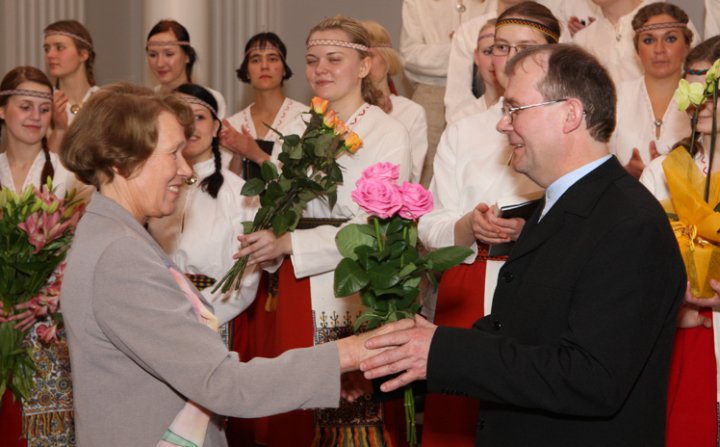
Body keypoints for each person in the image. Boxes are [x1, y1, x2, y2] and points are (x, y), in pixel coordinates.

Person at [363, 44, 686, 446]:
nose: (503, 125)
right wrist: (397, 359)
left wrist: (443, 351)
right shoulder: (558, 205)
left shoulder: (630, 224)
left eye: (514, 109)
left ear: (570, 114)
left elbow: (592, 377)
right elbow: (519, 334)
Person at [57, 83, 409, 446]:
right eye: (173, 153)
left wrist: (333, 369)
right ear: (122, 161)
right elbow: (224, 384)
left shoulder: (112, 232)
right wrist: (351, 352)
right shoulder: (120, 255)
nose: (185, 169)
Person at [234, 15, 412, 447]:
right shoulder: (297, 127)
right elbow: (278, 202)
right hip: (293, 283)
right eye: (313, 60)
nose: (321, 69)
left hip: (352, 285)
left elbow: (374, 227)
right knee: (295, 410)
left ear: (364, 66)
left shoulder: (387, 131)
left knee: (351, 419)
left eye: (334, 59)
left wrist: (289, 242)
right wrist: (267, 242)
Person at [417, 3, 555, 445]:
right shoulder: (463, 131)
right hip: (469, 282)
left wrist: (529, 233)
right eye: (500, 47)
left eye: (524, 48)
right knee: (460, 424)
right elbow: (430, 224)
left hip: (543, 287)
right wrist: (468, 226)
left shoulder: (572, 125)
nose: (509, 59)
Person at [0, 66, 89, 447]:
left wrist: (44, 300)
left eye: (44, 108)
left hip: (49, 326)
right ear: (2, 109)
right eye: (25, 106)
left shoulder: (70, 176)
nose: (35, 116)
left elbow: (84, 253)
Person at [640, 35, 720, 447]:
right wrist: (671, 306)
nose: (701, 101)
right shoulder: (662, 171)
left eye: (712, 89)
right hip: (681, 333)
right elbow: (639, 263)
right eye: (693, 88)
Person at [148, 83, 260, 347]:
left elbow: (248, 275)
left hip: (215, 322)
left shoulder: (240, 193)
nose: (191, 126)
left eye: (199, 117)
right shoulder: (152, 190)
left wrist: (197, 314)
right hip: (157, 317)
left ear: (216, 127)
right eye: (181, 116)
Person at [400, 0, 493, 186]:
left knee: (479, 164)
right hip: (431, 93)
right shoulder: (417, 3)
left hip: (482, 88)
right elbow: (409, 56)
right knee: (426, 175)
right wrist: (460, 47)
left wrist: (462, 46)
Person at [611, 2, 693, 179]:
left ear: (686, 46)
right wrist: (624, 175)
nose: (659, 50)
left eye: (670, 39)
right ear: (637, 49)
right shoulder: (618, 97)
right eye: (649, 40)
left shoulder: (703, 99)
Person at [221, 32, 306, 179]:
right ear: (247, 72)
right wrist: (237, 154)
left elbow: (305, 180)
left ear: (284, 69)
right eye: (255, 60)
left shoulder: (304, 118)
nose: (264, 66)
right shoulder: (234, 124)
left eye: (272, 59)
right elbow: (226, 186)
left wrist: (255, 153)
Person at [362, 19, 428, 183]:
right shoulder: (342, 111)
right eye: (358, 57)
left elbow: (411, 177)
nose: (363, 64)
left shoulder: (411, 111)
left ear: (387, 60)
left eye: (369, 56)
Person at [145, 19, 226, 118]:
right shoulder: (145, 101)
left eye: (169, 54)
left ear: (187, 56)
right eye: (153, 55)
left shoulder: (209, 98)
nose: (160, 63)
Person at [43, 20, 99, 152]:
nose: (50, 55)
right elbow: (44, 159)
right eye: (47, 49)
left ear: (83, 54)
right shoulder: (44, 103)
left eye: (59, 48)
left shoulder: (104, 101)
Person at [446, 18, 502, 124]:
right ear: (476, 57)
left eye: (502, 49)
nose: (494, 61)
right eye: (488, 51)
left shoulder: (530, 113)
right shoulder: (461, 120)